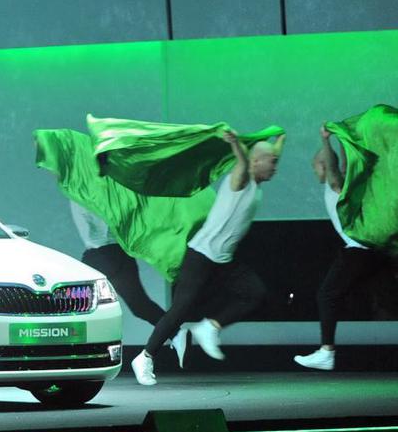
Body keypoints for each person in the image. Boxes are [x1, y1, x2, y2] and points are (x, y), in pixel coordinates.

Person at [131, 131, 281, 385]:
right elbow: (243, 163)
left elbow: (267, 154)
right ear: (255, 161)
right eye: (272, 162)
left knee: (254, 293)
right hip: (200, 257)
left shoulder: (256, 184)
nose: (275, 167)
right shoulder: (240, 182)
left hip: (223, 261)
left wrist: (280, 138)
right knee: (180, 311)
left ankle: (209, 327)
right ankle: (144, 357)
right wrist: (236, 143)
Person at [294, 127, 381, 371]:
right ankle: (326, 351)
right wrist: (342, 138)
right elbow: (343, 163)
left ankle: (326, 352)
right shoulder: (346, 181)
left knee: (326, 294)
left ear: (323, 166)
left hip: (360, 250)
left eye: (316, 166)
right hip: (368, 250)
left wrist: (325, 140)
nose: (314, 171)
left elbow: (334, 169)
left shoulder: (336, 185)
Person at [70, 201, 164, 326]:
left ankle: (177, 331)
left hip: (103, 253)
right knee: (140, 307)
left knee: (75, 308)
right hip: (114, 252)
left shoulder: (83, 194)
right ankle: (177, 332)